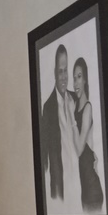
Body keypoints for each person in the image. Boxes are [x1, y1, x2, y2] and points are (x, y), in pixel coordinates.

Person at [40, 44, 75, 204]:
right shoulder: (48, 108)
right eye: (60, 71)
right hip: (60, 191)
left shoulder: (76, 99)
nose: (64, 76)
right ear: (55, 73)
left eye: (65, 70)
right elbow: (44, 158)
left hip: (79, 186)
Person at [69, 57, 104, 213]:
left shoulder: (87, 108)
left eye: (79, 76)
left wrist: (71, 118)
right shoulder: (76, 106)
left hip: (92, 189)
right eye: (74, 78)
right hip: (85, 188)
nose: (75, 82)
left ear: (85, 80)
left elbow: (79, 149)